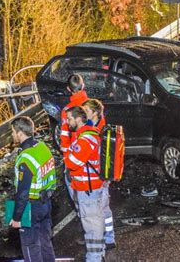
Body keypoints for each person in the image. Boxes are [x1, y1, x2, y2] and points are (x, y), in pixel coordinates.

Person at [9, 116, 56, 262]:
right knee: (45, 242)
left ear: (20, 133)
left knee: (30, 247)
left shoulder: (26, 158)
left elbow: (23, 193)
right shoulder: (42, 147)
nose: (12, 135)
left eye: (13, 132)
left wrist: (16, 218)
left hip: (31, 207)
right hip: (46, 202)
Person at [64, 106, 105, 262]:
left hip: (87, 188)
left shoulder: (85, 139)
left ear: (79, 119)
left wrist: (67, 152)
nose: (68, 122)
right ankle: (98, 253)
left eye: (69, 119)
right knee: (95, 219)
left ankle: (94, 257)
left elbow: (72, 162)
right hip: (91, 186)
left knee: (91, 223)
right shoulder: (88, 133)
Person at [82, 99, 116, 250]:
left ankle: (101, 241)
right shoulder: (103, 127)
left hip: (98, 178)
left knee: (98, 211)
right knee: (105, 209)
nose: (84, 114)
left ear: (95, 113)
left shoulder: (95, 131)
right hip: (104, 176)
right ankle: (109, 237)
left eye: (87, 111)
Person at [60, 74, 89, 204]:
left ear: (68, 88)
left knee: (74, 185)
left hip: (76, 153)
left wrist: (67, 158)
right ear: (83, 86)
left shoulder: (67, 111)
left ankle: (80, 209)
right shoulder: (93, 106)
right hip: (93, 152)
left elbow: (65, 136)